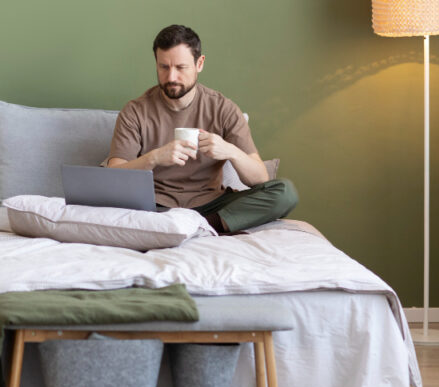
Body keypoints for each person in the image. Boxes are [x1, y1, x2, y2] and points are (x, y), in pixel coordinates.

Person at [107, 24, 298, 233]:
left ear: (200, 63)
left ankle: (203, 226)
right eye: (164, 67)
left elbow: (260, 178)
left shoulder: (223, 108)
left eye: (180, 67)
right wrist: (154, 158)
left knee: (284, 192)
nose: (171, 77)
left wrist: (230, 151)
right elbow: (113, 176)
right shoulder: (135, 111)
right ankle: (181, 226)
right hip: (155, 206)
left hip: (211, 205)